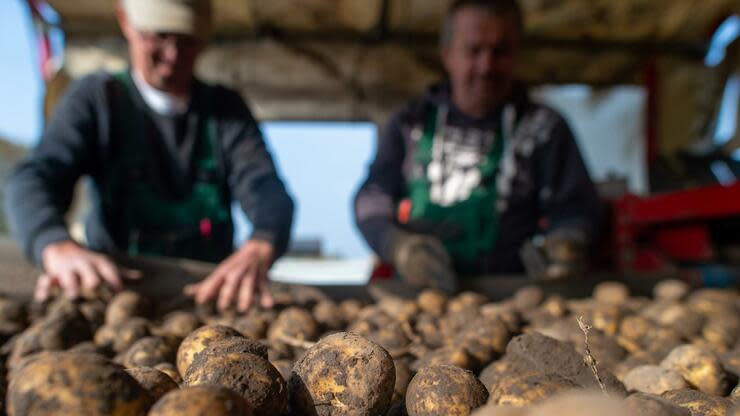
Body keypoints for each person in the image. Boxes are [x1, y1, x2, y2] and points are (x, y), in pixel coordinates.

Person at [5, 0, 294, 312]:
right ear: (125, 21)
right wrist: (54, 244)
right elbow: (35, 178)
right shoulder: (97, 100)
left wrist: (263, 241)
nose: (172, 55)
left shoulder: (225, 111)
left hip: (209, 297)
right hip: (116, 294)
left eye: (187, 41)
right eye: (158, 36)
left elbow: (266, 187)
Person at [354, 0, 600, 292]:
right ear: (448, 55)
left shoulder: (545, 128)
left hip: (515, 293)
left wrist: (566, 242)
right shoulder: (410, 123)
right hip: (421, 293)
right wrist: (397, 245)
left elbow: (577, 208)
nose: (486, 66)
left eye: (500, 52)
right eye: (474, 50)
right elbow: (371, 200)